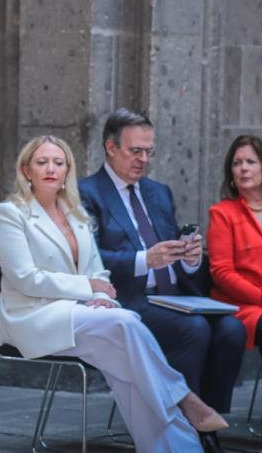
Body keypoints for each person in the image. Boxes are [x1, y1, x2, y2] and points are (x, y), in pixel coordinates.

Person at [0, 134, 228, 453]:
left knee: (127, 368)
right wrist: (88, 288)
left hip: (83, 315)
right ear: (26, 170)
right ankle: (183, 398)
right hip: (34, 316)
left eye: (58, 163)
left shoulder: (77, 215)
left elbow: (97, 272)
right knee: (125, 324)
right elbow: (25, 279)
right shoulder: (10, 213)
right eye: (42, 162)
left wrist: (101, 296)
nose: (51, 168)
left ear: (67, 171)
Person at [78, 109, 246, 453]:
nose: (143, 159)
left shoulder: (158, 192)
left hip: (176, 296)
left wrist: (191, 257)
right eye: (135, 151)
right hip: (127, 300)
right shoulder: (88, 193)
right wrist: (144, 260)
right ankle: (184, 424)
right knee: (194, 330)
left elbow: (179, 258)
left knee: (232, 329)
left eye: (149, 152)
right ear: (111, 147)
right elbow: (89, 259)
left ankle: (209, 422)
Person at [207, 135, 262, 354]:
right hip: (244, 307)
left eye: (251, 162)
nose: (243, 169)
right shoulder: (222, 213)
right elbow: (222, 273)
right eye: (237, 163)